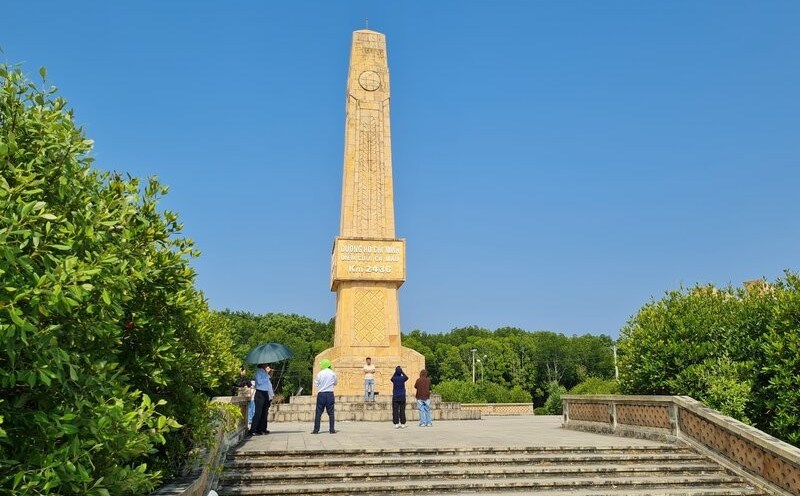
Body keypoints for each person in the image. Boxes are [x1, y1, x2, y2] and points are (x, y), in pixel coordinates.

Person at [247, 363, 274, 436]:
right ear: (262, 365)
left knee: (265, 412)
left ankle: (261, 429)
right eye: (266, 364)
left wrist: (269, 375)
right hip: (260, 393)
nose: (267, 365)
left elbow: (268, 384)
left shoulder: (265, 373)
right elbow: (259, 382)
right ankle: (253, 429)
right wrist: (268, 375)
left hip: (265, 393)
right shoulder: (258, 372)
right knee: (258, 412)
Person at [312, 358, 338, 434]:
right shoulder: (333, 373)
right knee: (331, 413)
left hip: (321, 394)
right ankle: (332, 430)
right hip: (330, 394)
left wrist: (322, 386)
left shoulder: (320, 373)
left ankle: (316, 430)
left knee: (318, 412)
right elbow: (336, 383)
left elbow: (316, 383)